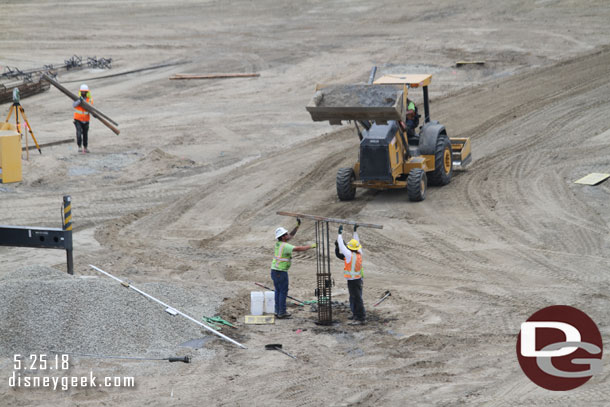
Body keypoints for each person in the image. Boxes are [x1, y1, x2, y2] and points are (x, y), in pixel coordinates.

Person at [271, 218, 316, 319]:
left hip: (274, 271)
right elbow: (299, 248)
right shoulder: (285, 246)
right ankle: (282, 312)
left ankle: (277, 311)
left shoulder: (279, 243)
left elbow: (291, 235)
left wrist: (297, 226)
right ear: (282, 237)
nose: (288, 235)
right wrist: (311, 246)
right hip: (281, 272)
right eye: (285, 234)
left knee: (278, 291)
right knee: (283, 292)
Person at [337, 224, 365, 325]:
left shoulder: (349, 255)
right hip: (357, 279)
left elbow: (341, 246)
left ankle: (360, 317)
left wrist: (339, 234)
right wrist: (355, 232)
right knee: (354, 297)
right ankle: (355, 314)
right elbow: (357, 242)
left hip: (354, 281)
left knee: (357, 298)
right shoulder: (359, 253)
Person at [73, 84, 93, 153]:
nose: (83, 93)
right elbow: (74, 105)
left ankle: (85, 147)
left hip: (86, 120)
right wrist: (79, 101)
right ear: (81, 92)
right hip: (78, 119)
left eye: (85, 92)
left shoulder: (89, 100)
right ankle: (79, 147)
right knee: (78, 133)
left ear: (87, 92)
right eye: (82, 92)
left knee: (85, 134)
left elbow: (91, 108)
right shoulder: (77, 99)